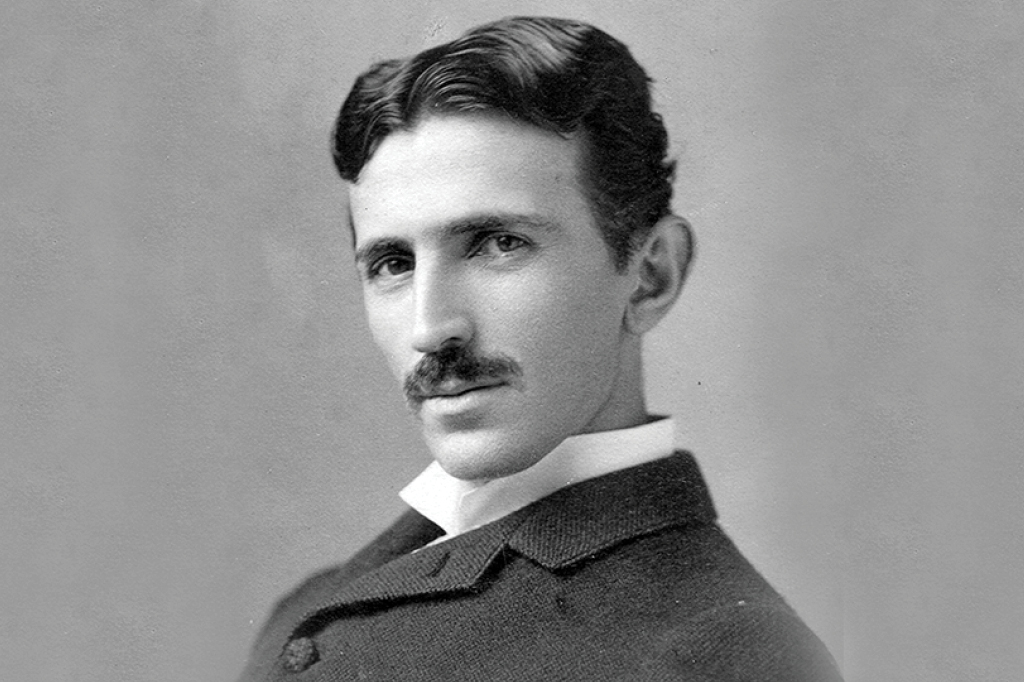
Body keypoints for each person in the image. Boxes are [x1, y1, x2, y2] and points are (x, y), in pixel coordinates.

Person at [239, 16, 842, 682]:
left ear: (651, 276)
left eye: (500, 244)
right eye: (393, 263)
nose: (430, 329)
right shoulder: (312, 604)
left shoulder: (723, 653)